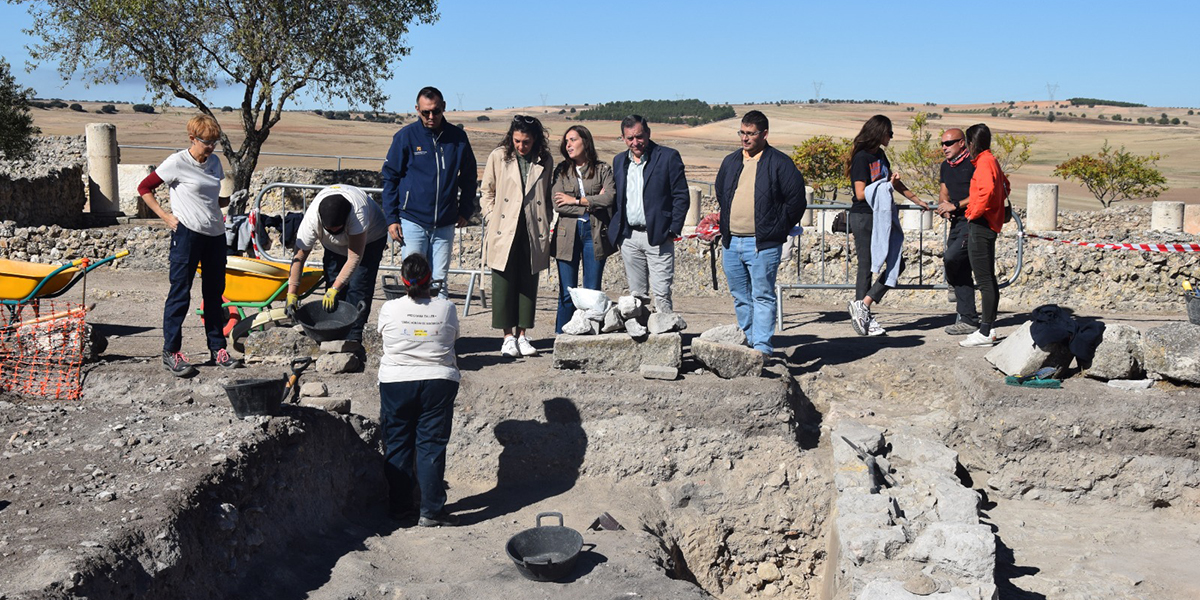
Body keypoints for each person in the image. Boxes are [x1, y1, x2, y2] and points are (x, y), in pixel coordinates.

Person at [137, 114, 242, 377]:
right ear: (192, 138)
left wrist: (229, 201)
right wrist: (164, 216)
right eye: (207, 142)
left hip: (215, 235)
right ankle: (172, 352)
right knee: (180, 293)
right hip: (186, 235)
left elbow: (210, 199)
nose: (212, 147)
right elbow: (144, 187)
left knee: (214, 294)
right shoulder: (176, 162)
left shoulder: (214, 163)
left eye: (215, 141)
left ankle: (217, 348)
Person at [377, 252, 460, 527]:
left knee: (398, 443)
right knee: (431, 446)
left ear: (402, 280)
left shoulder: (390, 308)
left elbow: (382, 336)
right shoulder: (446, 307)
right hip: (439, 381)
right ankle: (431, 512)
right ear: (430, 279)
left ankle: (400, 510)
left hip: (396, 381)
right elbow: (453, 338)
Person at [714, 110, 807, 357]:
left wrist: (778, 228)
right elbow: (721, 194)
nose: (745, 138)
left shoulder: (780, 163)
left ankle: (763, 347)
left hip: (763, 244)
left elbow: (796, 201)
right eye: (742, 133)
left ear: (764, 134)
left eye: (750, 134)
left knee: (763, 295)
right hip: (732, 242)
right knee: (740, 297)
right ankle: (747, 341)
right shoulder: (731, 161)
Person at [381, 86, 477, 297]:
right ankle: (412, 326)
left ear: (443, 107)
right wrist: (391, 218)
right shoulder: (405, 137)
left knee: (439, 281)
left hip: (444, 223)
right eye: (426, 112)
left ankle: (440, 329)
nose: (431, 116)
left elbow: (469, 176)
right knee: (413, 279)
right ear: (417, 110)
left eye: (436, 111)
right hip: (412, 220)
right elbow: (390, 178)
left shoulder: (458, 138)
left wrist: (466, 209)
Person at [844, 115, 931, 337]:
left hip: (881, 216)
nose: (891, 137)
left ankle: (863, 305)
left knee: (896, 262)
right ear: (879, 132)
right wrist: (886, 185)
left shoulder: (880, 155)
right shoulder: (862, 158)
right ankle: (864, 315)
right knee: (866, 266)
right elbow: (860, 193)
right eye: (889, 133)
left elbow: (894, 183)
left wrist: (917, 200)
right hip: (864, 217)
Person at [480, 115, 554, 357]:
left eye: (526, 142)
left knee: (528, 280)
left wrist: (547, 218)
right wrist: (491, 217)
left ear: (535, 141)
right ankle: (507, 336)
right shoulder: (498, 156)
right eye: (517, 141)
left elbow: (547, 193)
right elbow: (487, 190)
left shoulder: (545, 160)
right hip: (504, 226)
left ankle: (523, 335)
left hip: (533, 226)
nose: (521, 146)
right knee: (503, 281)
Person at [284, 184, 388, 343]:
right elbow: (299, 257)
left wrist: (334, 289)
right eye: (330, 230)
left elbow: (354, 258)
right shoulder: (311, 220)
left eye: (337, 229)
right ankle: (332, 333)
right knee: (333, 282)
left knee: (359, 285)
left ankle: (354, 338)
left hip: (370, 240)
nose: (334, 233)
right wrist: (292, 293)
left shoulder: (357, 215)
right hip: (332, 248)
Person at [608, 115, 690, 315]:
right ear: (623, 138)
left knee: (662, 294)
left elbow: (681, 195)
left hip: (658, 236)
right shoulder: (619, 161)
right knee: (636, 296)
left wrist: (672, 229)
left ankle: (667, 339)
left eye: (639, 136)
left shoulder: (668, 157)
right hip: (629, 237)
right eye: (629, 138)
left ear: (648, 133)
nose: (635, 142)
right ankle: (642, 339)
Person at [550, 125, 616, 333]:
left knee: (592, 291)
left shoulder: (603, 169)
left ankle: (590, 336)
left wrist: (576, 200)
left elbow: (610, 197)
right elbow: (557, 203)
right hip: (566, 234)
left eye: (572, 140)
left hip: (594, 234)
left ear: (585, 142)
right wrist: (591, 203)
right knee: (566, 291)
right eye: (566, 141)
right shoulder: (561, 171)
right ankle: (561, 336)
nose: (568, 145)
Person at [960, 123, 1010, 348]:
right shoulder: (992, 161)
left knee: (985, 280)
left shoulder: (983, 162)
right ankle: (987, 328)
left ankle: (985, 331)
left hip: (981, 225)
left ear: (972, 143)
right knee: (988, 279)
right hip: (989, 225)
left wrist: (973, 212)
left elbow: (988, 191)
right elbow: (1005, 186)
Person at [933, 128, 980, 335]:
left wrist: (956, 205)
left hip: (972, 221)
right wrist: (943, 206)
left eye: (949, 143)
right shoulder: (946, 166)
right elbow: (944, 191)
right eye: (942, 144)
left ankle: (979, 322)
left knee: (952, 258)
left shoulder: (974, 163)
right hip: (956, 222)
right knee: (959, 268)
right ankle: (968, 319)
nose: (944, 148)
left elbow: (981, 193)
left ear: (962, 143)